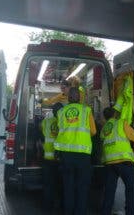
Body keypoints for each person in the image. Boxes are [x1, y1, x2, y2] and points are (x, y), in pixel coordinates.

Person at [100, 107, 134, 215]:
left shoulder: (104, 129)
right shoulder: (121, 123)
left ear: (105, 117)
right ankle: (129, 213)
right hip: (123, 161)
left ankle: (105, 212)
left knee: (109, 191)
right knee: (130, 188)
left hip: (109, 163)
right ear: (115, 115)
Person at [54, 87, 97, 215]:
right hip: (83, 156)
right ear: (79, 97)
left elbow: (59, 130)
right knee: (82, 188)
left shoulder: (61, 112)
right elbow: (94, 131)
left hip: (66, 155)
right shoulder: (86, 110)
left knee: (68, 188)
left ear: (68, 97)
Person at [41, 102, 63, 212]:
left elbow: (41, 133)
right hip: (59, 159)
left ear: (53, 111)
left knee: (48, 184)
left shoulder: (46, 121)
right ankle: (59, 207)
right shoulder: (63, 121)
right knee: (60, 184)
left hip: (47, 158)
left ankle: (47, 207)